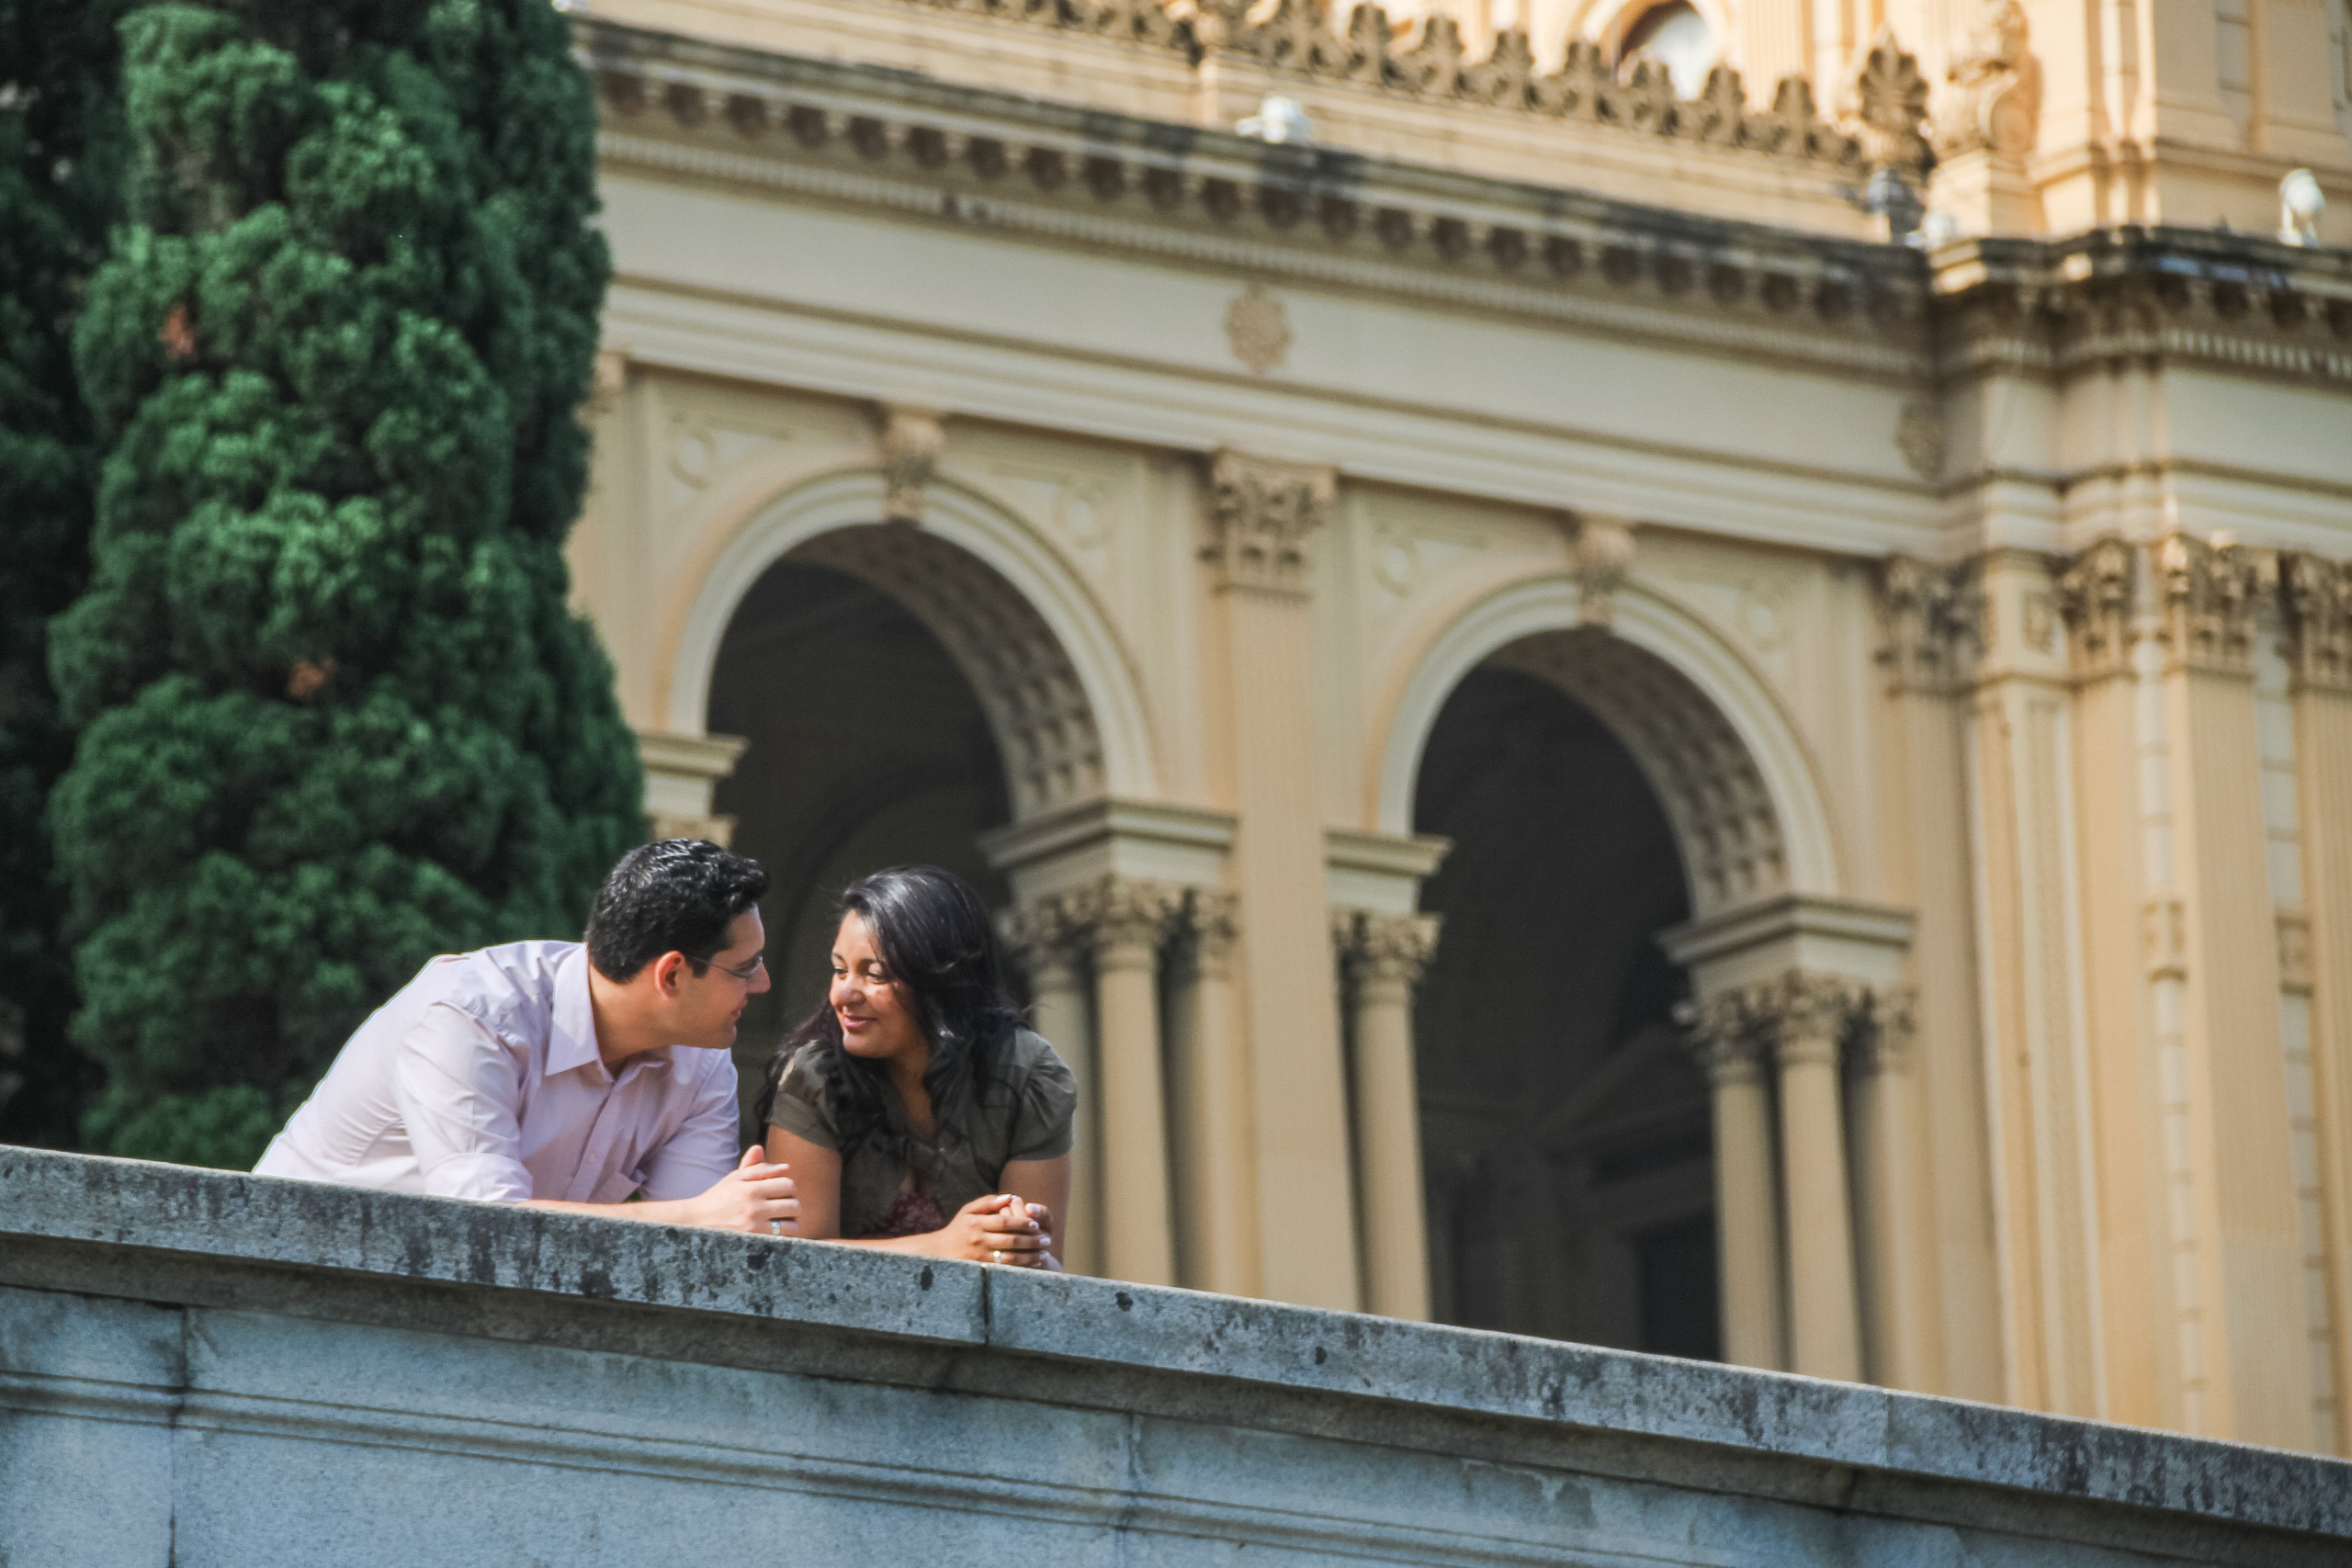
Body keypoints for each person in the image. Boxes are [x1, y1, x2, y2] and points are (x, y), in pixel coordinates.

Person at [254, 839, 798, 1234]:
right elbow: (484, 1228)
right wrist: (696, 1217)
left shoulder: (702, 1060)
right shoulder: (471, 1015)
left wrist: (703, 1219)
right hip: (283, 1280)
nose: (763, 983)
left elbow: (695, 1243)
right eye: (744, 967)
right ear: (672, 974)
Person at [757, 865, 1073, 1268]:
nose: (843, 995)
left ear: (939, 983)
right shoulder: (815, 1078)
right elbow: (792, 1263)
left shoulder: (1029, 1077)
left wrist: (1022, 1247)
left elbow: (1041, 1275)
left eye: (874, 974)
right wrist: (943, 1246)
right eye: (839, 970)